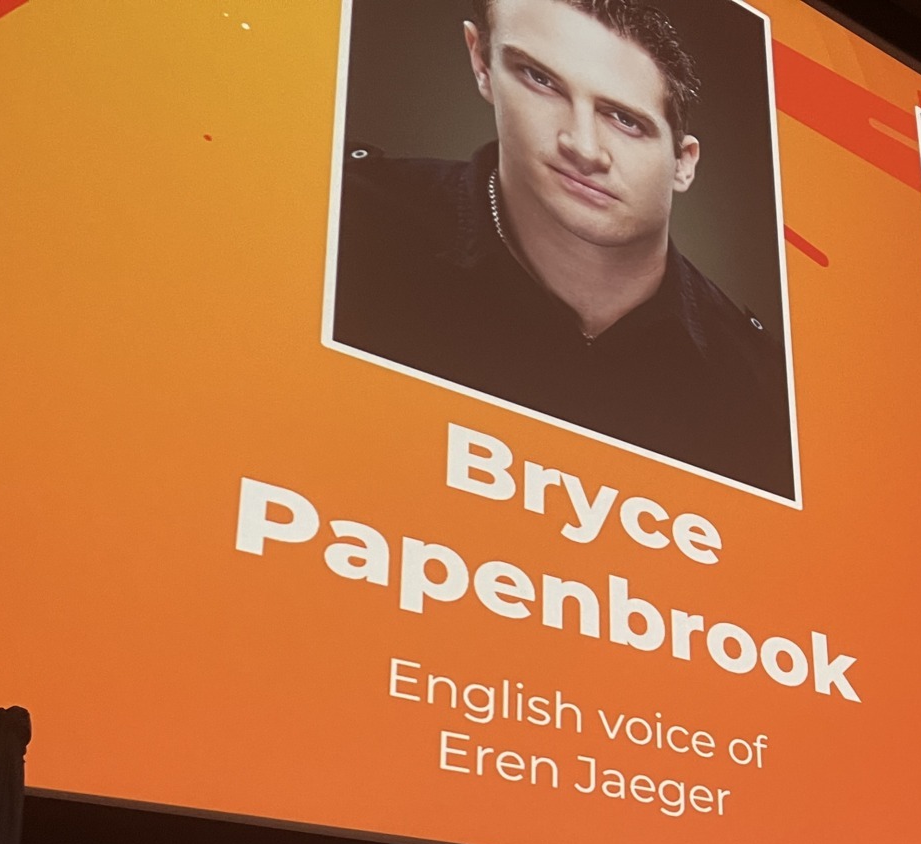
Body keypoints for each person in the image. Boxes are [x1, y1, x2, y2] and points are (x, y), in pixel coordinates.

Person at [333, 0, 795, 499]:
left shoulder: (762, 386)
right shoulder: (346, 223)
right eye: (541, 80)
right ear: (481, 63)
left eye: (625, 119)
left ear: (683, 163)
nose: (583, 147)